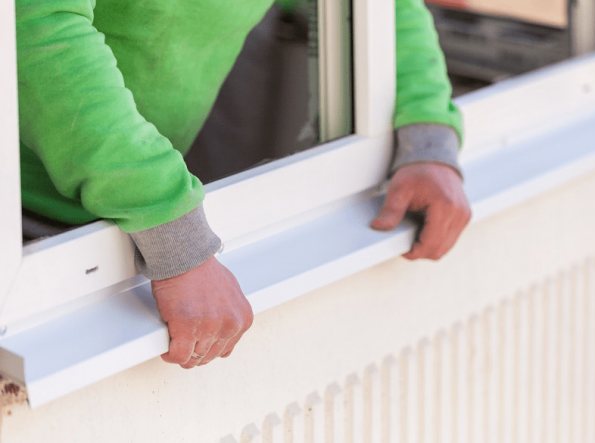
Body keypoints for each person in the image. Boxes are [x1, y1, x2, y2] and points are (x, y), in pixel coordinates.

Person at [16, 0, 471, 369]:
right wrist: (172, 230)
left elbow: (383, 9)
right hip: (19, 225)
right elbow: (35, 28)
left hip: (118, 220)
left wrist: (428, 139)